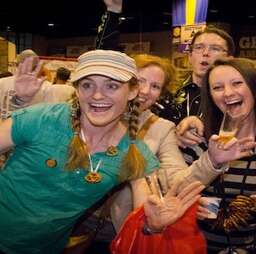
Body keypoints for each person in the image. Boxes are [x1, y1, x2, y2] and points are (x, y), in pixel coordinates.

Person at [0, 49, 202, 254]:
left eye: (112, 86)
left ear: (132, 91)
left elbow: (146, 210)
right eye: (87, 85)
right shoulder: (42, 119)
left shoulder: (135, 154)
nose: (97, 95)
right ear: (77, 90)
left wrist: (153, 225)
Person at [80, 54, 254, 253]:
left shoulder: (161, 128)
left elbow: (176, 179)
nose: (145, 91)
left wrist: (212, 161)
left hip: (118, 232)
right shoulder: (87, 112)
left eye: (155, 86)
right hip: (65, 223)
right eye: (140, 81)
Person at [194, 58, 256, 253]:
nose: (228, 93)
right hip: (197, 247)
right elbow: (172, 191)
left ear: (254, 88)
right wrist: (189, 206)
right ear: (210, 96)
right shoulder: (198, 138)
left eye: (237, 83)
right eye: (217, 87)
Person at [0, 49, 75, 122]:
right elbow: (50, 115)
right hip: (31, 129)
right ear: (38, 67)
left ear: (16, 65)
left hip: (6, 127)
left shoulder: (2, 82)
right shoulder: (47, 86)